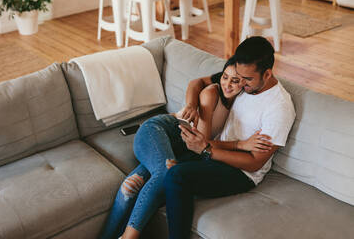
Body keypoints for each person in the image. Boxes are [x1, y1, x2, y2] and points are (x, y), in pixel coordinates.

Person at [98, 43, 273, 239]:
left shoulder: (239, 100)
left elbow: (197, 83)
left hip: (179, 149)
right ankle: (129, 236)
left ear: (244, 84)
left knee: (131, 186)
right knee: (165, 172)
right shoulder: (212, 93)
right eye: (225, 77)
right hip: (160, 130)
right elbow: (202, 142)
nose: (228, 84)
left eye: (236, 80)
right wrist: (240, 144)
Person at [164, 36, 296, 239]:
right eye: (239, 76)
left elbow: (254, 163)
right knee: (165, 148)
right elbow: (198, 83)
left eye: (247, 79)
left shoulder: (279, 107)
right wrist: (191, 106)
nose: (240, 83)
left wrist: (206, 150)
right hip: (215, 150)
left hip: (240, 173)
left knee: (177, 176)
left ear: (267, 73)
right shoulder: (241, 81)